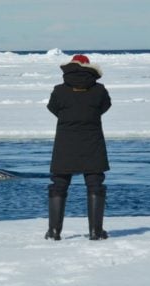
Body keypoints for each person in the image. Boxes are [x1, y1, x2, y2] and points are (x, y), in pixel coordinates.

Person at [45, 54, 111, 241]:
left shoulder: (59, 90)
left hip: (65, 141)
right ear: (88, 67)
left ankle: (54, 232)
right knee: (95, 184)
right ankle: (95, 232)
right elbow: (105, 107)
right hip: (93, 140)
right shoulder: (99, 90)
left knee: (59, 184)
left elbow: (53, 108)